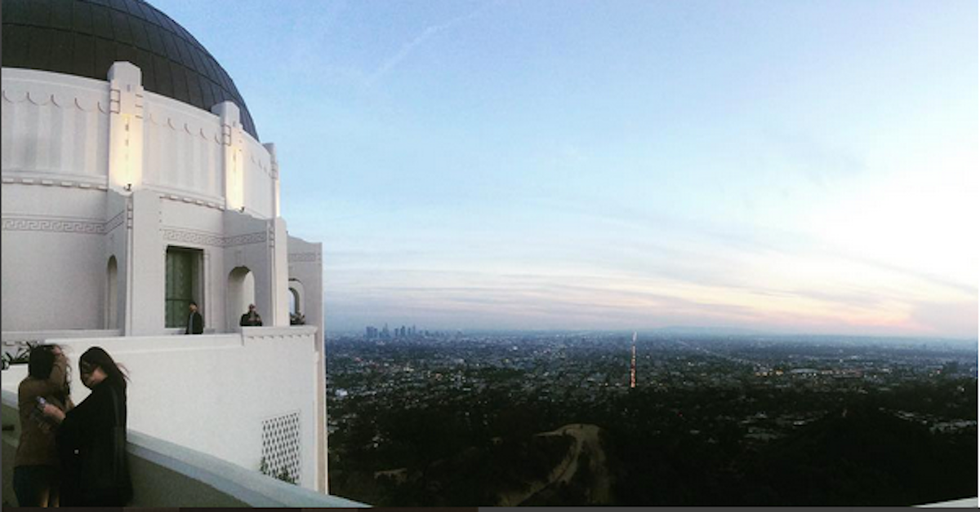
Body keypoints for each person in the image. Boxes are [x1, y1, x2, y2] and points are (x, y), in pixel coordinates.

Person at [43, 347, 132, 507]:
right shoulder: (114, 392)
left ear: (102, 367)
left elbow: (76, 427)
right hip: (111, 482)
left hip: (94, 484)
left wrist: (58, 416)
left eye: (88, 370)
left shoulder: (103, 396)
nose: (84, 376)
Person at [14, 344, 73, 507]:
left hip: (54, 464)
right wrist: (60, 357)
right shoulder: (28, 387)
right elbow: (54, 382)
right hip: (32, 464)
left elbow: (74, 420)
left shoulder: (61, 397)